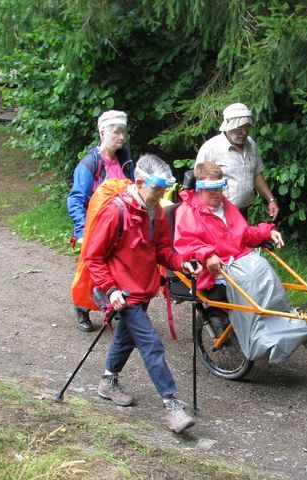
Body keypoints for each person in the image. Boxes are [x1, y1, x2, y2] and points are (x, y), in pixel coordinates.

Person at [83, 154, 202, 434]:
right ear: (139, 182)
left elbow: (161, 250)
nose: (162, 194)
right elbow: (93, 257)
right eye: (158, 188)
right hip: (122, 292)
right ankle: (170, 404)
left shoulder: (156, 210)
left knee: (126, 338)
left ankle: (107, 381)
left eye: (164, 189)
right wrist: (110, 289)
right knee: (151, 344)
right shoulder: (115, 211)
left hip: (144, 287)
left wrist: (181, 262)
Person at [173, 160, 283, 299]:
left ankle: (281, 317)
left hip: (241, 263)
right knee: (257, 288)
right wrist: (207, 255)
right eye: (210, 188)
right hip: (215, 272)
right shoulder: (187, 212)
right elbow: (186, 244)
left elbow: (244, 233)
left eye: (219, 187)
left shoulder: (225, 204)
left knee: (266, 274)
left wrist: (267, 232)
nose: (216, 193)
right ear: (199, 188)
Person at [67, 110, 135, 332]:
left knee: (116, 269)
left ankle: (113, 309)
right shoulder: (90, 162)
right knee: (89, 271)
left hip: (121, 227)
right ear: (102, 132)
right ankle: (81, 307)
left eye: (123, 131)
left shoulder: (125, 159)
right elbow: (76, 199)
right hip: (95, 226)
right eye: (116, 132)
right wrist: (81, 230)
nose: (121, 136)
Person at [195, 102, 279, 221]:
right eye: (239, 128)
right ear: (228, 127)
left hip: (243, 212)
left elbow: (256, 174)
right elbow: (198, 185)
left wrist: (271, 200)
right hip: (218, 215)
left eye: (246, 127)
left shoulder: (251, 144)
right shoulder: (211, 149)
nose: (244, 132)